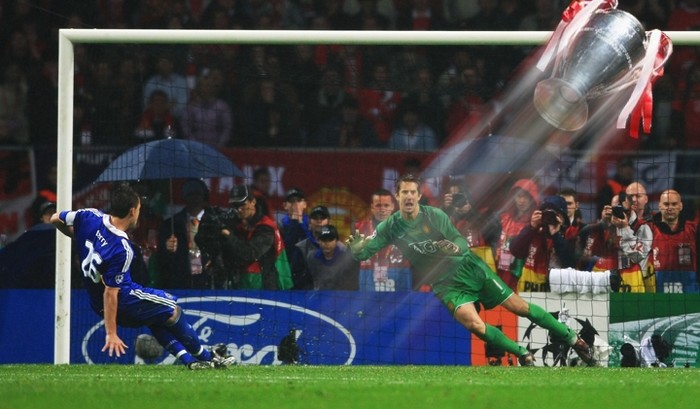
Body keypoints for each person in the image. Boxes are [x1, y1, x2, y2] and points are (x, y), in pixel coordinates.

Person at [346, 174, 596, 366]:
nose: (409, 197)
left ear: (419, 195)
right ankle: (522, 353)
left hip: (469, 268)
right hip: (446, 285)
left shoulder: (434, 216)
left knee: (519, 307)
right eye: (404, 192)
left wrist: (453, 248)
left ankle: (573, 339)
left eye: (413, 192)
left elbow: (460, 242)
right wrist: (357, 249)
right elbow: (365, 252)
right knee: (475, 325)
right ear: (397, 196)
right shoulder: (390, 227)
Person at [49, 183, 234, 369]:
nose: (139, 212)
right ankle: (208, 357)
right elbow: (111, 293)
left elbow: (56, 219)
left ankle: (190, 361)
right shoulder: (121, 247)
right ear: (132, 211)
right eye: (139, 208)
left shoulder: (89, 216)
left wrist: (80, 238)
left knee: (155, 315)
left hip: (97, 305)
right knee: (173, 310)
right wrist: (111, 333)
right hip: (124, 300)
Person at [200, 184, 292, 290]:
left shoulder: (266, 228)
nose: (238, 209)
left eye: (242, 205)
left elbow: (248, 254)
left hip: (264, 289)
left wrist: (228, 235)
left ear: (253, 202)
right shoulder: (235, 223)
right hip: (240, 286)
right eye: (235, 205)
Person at [509, 195, 577, 292]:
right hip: (527, 292)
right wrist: (531, 227)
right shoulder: (533, 232)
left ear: (562, 218)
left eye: (554, 214)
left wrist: (556, 235)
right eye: (546, 213)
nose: (549, 218)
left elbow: (571, 263)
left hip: (555, 294)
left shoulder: (570, 234)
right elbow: (515, 251)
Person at [355, 189, 413, 291]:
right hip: (368, 291)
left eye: (386, 205)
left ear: (392, 206)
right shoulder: (360, 228)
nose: (382, 209)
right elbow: (352, 262)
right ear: (372, 207)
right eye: (378, 205)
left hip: (398, 290)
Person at [158, 179, 210, 289]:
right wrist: (167, 248)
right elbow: (162, 256)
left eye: (198, 194)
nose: (194, 198)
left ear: (203, 196)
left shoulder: (214, 221)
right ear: (184, 197)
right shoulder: (171, 224)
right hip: (181, 280)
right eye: (190, 194)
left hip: (208, 280)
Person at [649, 189, 699, 293]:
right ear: (659, 206)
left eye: (674, 204)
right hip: (658, 295)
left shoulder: (695, 230)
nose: (670, 208)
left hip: (689, 294)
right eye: (666, 204)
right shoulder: (648, 230)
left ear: (681, 206)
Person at [495, 179, 539, 291]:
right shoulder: (504, 218)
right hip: (503, 272)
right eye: (518, 196)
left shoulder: (537, 222)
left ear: (532, 198)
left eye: (526, 197)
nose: (522, 201)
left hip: (525, 275)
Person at [290, 205, 333, 290]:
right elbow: (296, 278)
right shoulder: (300, 248)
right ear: (309, 223)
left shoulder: (339, 247)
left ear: (329, 222)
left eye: (322, 218)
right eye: (315, 218)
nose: (319, 221)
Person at [306, 225, 359, 290]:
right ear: (318, 241)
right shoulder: (311, 257)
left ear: (336, 241)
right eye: (324, 240)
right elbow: (308, 282)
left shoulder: (346, 259)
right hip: (319, 294)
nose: (327, 243)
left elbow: (351, 285)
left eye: (330, 240)